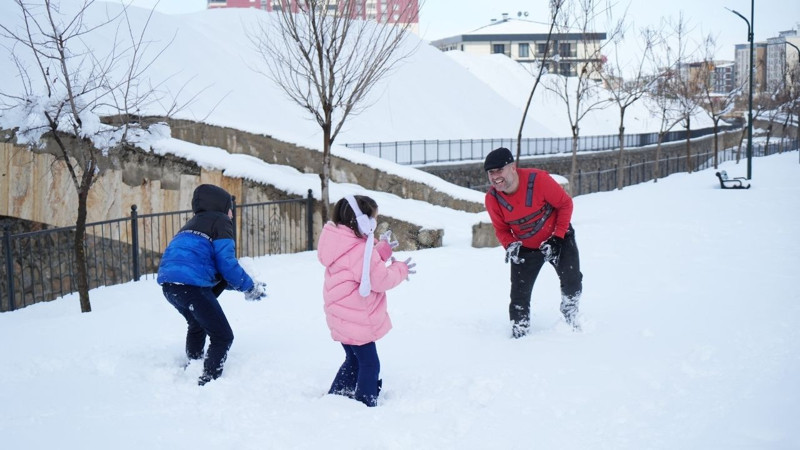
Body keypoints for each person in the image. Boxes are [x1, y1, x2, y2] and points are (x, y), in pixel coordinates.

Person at [157, 184, 267, 386]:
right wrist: (249, 286)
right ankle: (208, 380)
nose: (232, 214)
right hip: (191, 286)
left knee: (197, 324)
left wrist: (239, 284)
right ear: (221, 206)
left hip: (170, 286)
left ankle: (194, 363)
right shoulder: (220, 221)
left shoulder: (191, 224)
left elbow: (209, 269)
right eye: (230, 207)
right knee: (223, 336)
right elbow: (226, 263)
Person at [317, 194, 415, 407]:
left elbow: (359, 264)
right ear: (361, 222)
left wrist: (381, 252)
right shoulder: (361, 250)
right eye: (372, 219)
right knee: (370, 364)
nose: (374, 224)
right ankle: (365, 404)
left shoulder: (339, 243)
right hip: (357, 320)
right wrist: (401, 268)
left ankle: (337, 396)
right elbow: (380, 279)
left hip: (342, 317)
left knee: (353, 360)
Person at [483, 147, 583, 338]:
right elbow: (502, 229)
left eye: (499, 170)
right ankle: (520, 333)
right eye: (491, 172)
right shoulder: (493, 200)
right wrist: (510, 245)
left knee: (572, 281)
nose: (495, 176)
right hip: (525, 249)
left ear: (512, 167)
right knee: (519, 297)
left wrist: (557, 236)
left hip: (558, 239)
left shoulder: (538, 180)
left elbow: (565, 204)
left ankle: (570, 318)